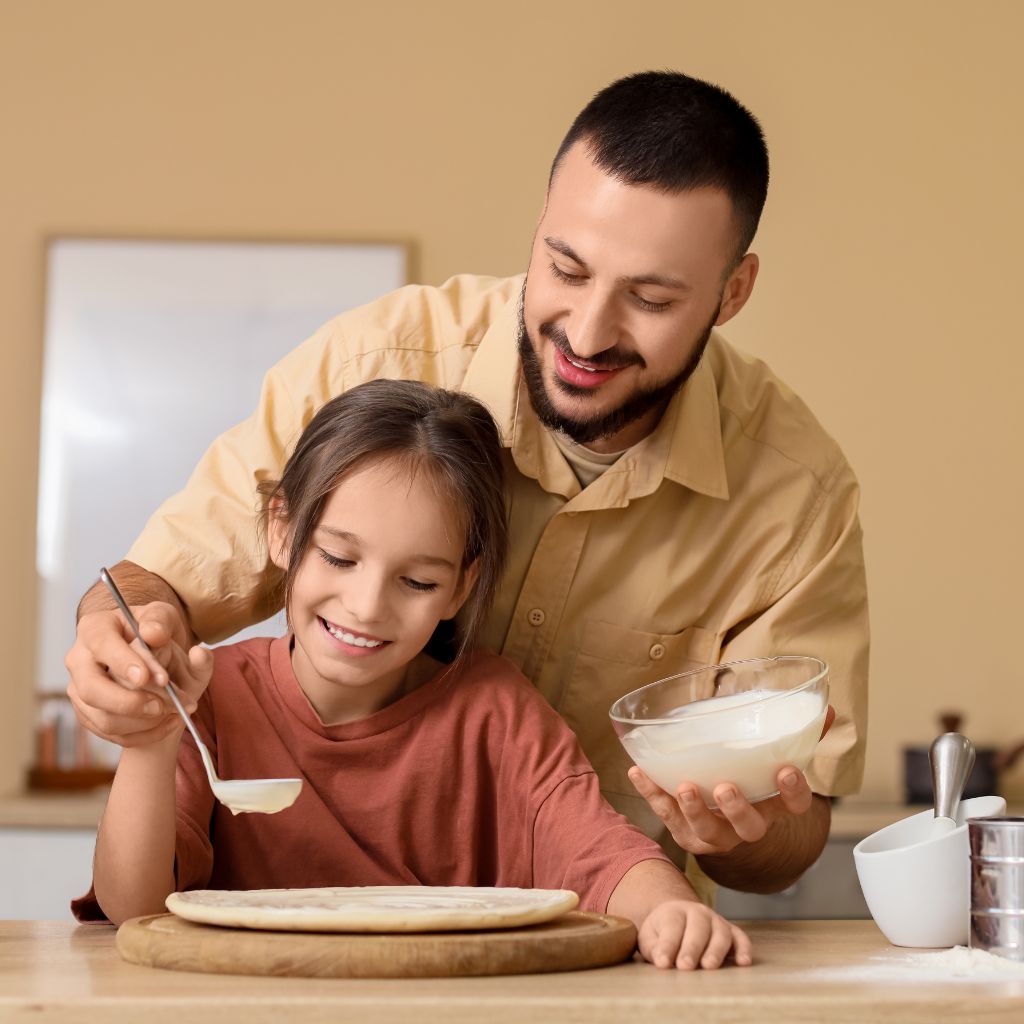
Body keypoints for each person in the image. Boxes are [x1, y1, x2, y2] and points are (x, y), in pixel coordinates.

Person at [66, 70, 869, 900]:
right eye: (566, 267)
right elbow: (147, 587)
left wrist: (743, 832)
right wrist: (121, 651)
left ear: (731, 293)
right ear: (539, 231)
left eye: (652, 298)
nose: (588, 333)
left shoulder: (796, 495)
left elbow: (794, 833)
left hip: (596, 956)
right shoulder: (373, 363)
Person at [72, 380, 752, 972]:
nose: (368, 607)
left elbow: (597, 852)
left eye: (418, 580)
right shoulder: (207, 697)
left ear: (462, 587)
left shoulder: (494, 711)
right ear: (284, 532)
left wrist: (669, 908)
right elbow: (136, 909)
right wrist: (152, 740)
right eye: (339, 559)